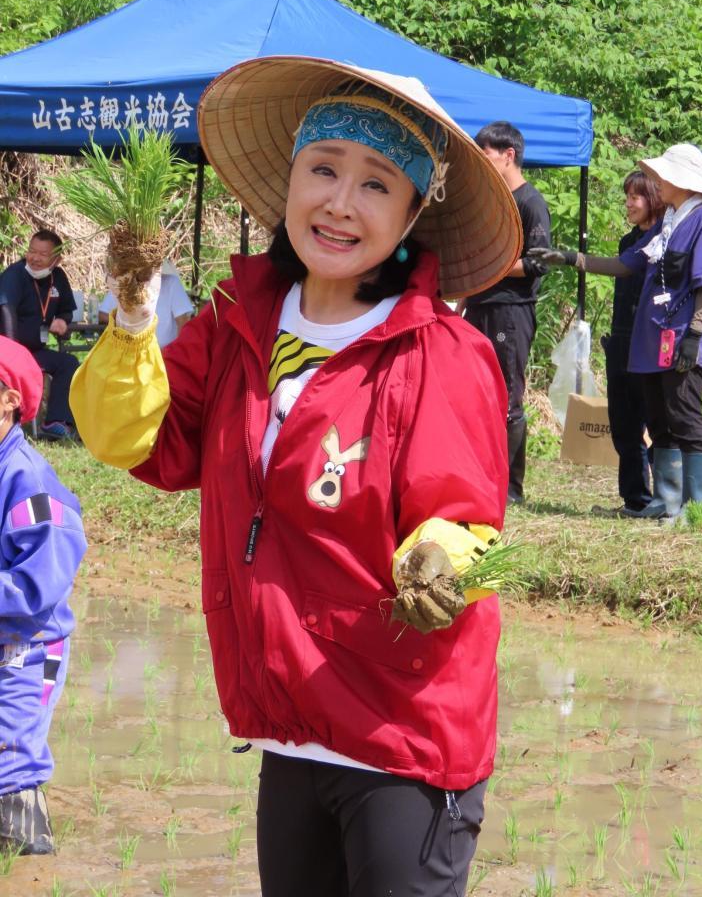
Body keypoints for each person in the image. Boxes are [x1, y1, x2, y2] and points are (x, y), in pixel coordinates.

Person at [70, 56, 522, 896]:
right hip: (291, 729)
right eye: (323, 169)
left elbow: (466, 517)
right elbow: (136, 441)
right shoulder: (237, 327)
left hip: (402, 734)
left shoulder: (439, 353)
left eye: (377, 184)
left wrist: (445, 558)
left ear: (414, 211)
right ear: (290, 180)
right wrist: (133, 316)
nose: (340, 203)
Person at [531, 143, 702, 522]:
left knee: (684, 417)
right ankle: (666, 502)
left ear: (679, 181)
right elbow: (624, 264)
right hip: (650, 341)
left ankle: (697, 508)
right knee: (660, 419)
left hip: (680, 337)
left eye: (661, 176)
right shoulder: (669, 223)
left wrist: (695, 336)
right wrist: (571, 258)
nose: (655, 182)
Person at [0, 336, 86, 855]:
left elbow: (40, 584)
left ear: (9, 398)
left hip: (26, 650)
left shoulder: (29, 479)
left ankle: (32, 871)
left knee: (9, 759)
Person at [456, 122, 552, 504]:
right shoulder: (493, 201)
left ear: (507, 155)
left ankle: (512, 489)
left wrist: (493, 264)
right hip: (479, 306)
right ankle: (483, 478)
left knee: (508, 396)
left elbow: (538, 263)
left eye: (486, 153)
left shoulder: (531, 202)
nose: (482, 159)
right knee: (478, 395)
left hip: (511, 312)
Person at [601, 171, 665, 515]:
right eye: (627, 197)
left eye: (634, 197)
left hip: (649, 344)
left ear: (653, 198)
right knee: (623, 424)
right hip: (620, 341)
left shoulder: (664, 240)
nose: (628, 204)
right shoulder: (627, 242)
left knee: (654, 423)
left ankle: (666, 499)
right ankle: (635, 499)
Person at [0, 230, 79, 440]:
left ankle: (55, 421)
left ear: (56, 259)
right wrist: (12, 355)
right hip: (8, 352)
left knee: (68, 363)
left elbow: (67, 309)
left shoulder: (58, 278)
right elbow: (6, 311)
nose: (34, 258)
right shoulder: (14, 274)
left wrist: (63, 319)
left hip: (35, 351)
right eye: (31, 251)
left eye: (42, 254)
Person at [98, 260, 193, 348]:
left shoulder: (171, 283)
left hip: (163, 354)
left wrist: (174, 352)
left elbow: (184, 320)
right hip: (131, 351)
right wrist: (129, 321)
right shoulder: (125, 284)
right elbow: (103, 315)